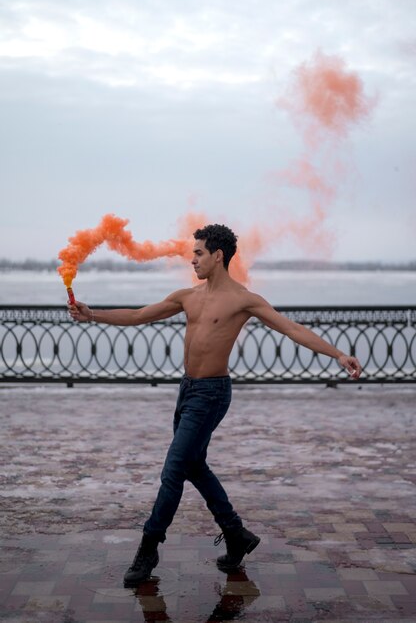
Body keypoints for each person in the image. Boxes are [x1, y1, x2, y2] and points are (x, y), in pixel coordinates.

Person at [69, 224, 362, 587]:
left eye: (198, 253)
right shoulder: (188, 296)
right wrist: (92, 314)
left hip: (212, 394)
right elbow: (139, 314)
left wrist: (338, 354)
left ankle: (148, 548)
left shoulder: (243, 300)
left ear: (218, 256)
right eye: (193, 253)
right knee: (193, 466)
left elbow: (291, 329)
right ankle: (236, 534)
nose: (192, 259)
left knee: (174, 469)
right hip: (187, 390)